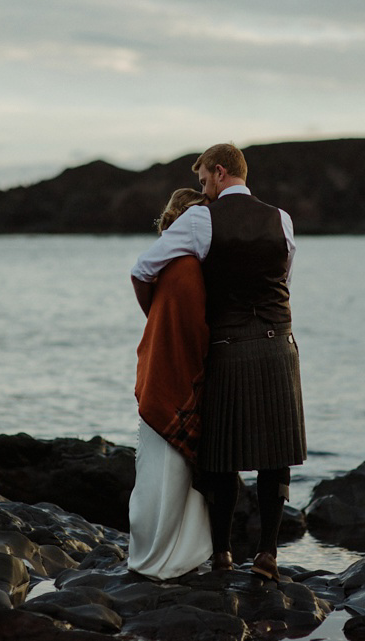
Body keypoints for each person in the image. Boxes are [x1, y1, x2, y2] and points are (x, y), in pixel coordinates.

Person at [131, 143, 307, 581]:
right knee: (275, 454)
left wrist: (156, 316)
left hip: (229, 346)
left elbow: (143, 268)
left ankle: (224, 554)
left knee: (222, 455)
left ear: (221, 171)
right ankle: (268, 554)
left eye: (204, 179)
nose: (203, 188)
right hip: (277, 344)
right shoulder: (281, 218)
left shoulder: (199, 218)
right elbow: (283, 278)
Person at [127, 188, 213, 580]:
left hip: (160, 375)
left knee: (158, 472)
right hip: (176, 379)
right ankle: (170, 556)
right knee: (169, 473)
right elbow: (195, 330)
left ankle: (154, 554)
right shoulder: (189, 267)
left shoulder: (169, 264)